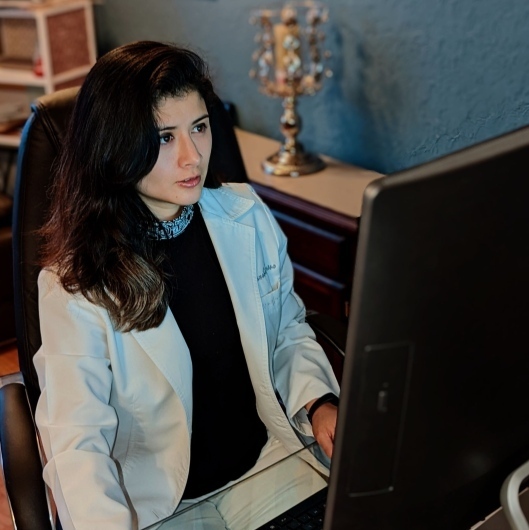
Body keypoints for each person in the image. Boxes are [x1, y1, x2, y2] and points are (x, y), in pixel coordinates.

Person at [34, 40, 340, 530]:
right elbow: (77, 441)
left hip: (263, 465)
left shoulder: (244, 214)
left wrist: (319, 401)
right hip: (154, 508)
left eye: (199, 127)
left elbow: (286, 329)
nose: (192, 156)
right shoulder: (74, 285)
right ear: (117, 147)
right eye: (164, 137)